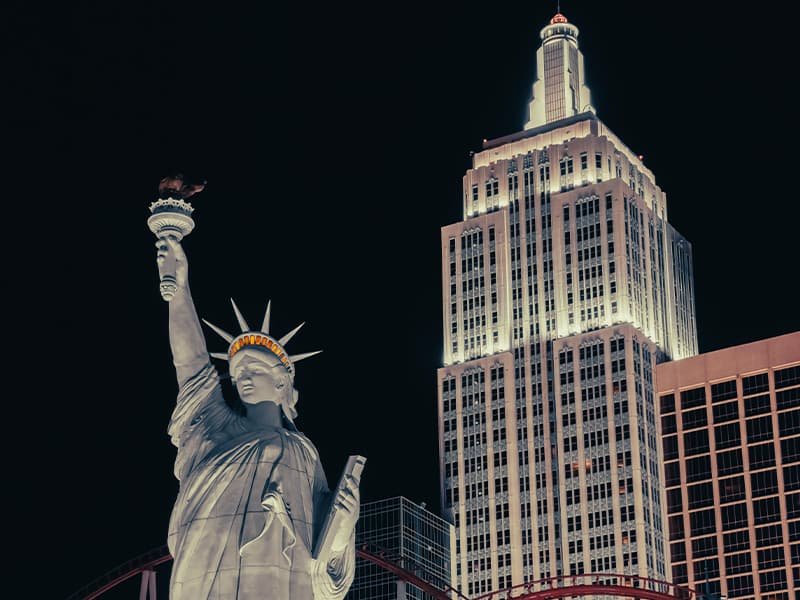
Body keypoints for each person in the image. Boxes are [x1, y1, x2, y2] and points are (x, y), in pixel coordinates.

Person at [155, 235, 359, 599]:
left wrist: (344, 527)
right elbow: (190, 364)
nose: (244, 377)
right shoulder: (218, 428)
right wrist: (179, 293)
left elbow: (324, 571)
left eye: (254, 370)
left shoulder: (304, 453)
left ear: (282, 383)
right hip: (210, 580)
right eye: (237, 374)